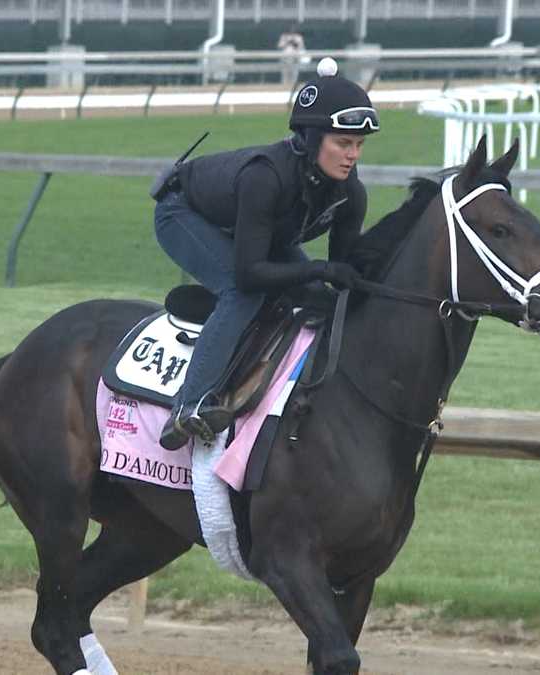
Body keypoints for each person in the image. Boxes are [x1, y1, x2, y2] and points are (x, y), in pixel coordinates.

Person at [152, 57, 377, 450]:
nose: (352, 155)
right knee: (242, 294)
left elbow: (339, 276)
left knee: (317, 299)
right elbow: (250, 274)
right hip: (182, 213)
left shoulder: (350, 194)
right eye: (342, 143)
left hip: (260, 234)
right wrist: (318, 269)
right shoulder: (266, 177)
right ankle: (187, 406)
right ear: (310, 140)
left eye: (358, 145)